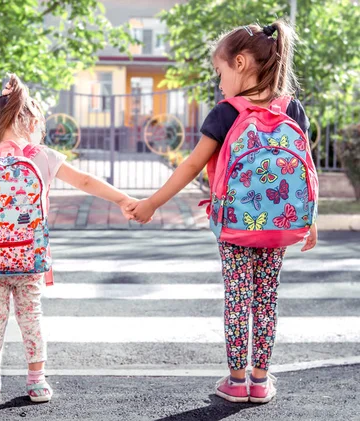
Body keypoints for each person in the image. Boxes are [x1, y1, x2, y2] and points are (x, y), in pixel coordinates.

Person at [126, 21, 318, 404]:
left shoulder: (226, 113)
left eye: (220, 72)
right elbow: (305, 168)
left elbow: (190, 167)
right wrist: (310, 219)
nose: (219, 83)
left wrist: (152, 203)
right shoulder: (292, 108)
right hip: (279, 224)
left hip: (235, 226)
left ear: (242, 62)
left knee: (237, 297)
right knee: (267, 298)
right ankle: (260, 381)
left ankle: (235, 380)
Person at [0, 74, 137, 403]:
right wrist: (123, 199)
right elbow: (85, 181)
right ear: (32, 120)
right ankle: (36, 380)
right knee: (31, 316)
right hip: (29, 258)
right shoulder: (43, 156)